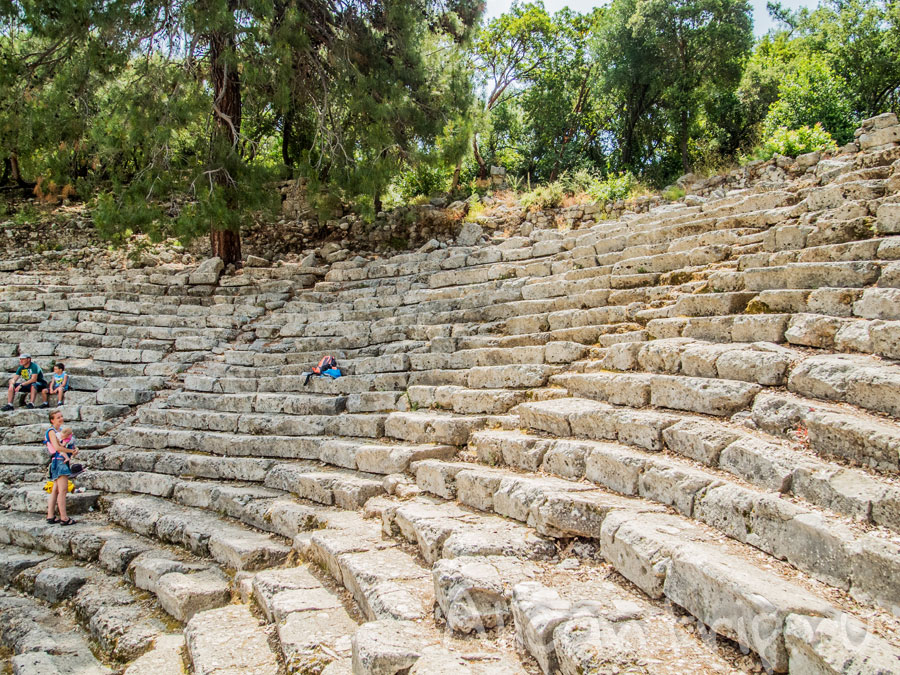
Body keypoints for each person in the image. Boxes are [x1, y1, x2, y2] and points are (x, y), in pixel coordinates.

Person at [45, 410, 77, 525]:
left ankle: (50, 515)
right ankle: (64, 517)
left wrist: (74, 449)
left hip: (60, 461)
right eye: (58, 417)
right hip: (59, 462)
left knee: (56, 489)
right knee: (63, 490)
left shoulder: (61, 431)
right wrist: (70, 451)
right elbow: (57, 448)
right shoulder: (51, 432)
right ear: (52, 420)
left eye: (61, 416)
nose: (61, 418)